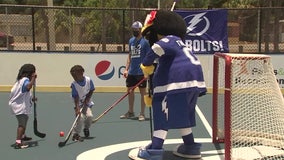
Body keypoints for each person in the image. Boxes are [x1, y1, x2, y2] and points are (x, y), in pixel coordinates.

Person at [135, 10, 207, 159]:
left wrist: (146, 65)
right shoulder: (180, 44)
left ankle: (155, 149)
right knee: (182, 116)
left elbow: (155, 49)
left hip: (176, 83)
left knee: (162, 114)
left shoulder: (169, 40)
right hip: (192, 83)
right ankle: (190, 146)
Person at [120, 21, 151, 121]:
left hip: (141, 72)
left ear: (140, 30)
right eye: (133, 30)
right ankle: (130, 111)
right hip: (132, 72)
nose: (134, 32)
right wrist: (126, 69)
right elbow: (129, 56)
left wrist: (146, 72)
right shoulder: (131, 41)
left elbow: (148, 57)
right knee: (130, 91)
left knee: (143, 93)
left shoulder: (145, 42)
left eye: (136, 30)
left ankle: (142, 113)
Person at [9, 64, 37, 149]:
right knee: (22, 124)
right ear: (30, 73)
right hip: (19, 106)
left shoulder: (20, 80)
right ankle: (18, 142)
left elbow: (24, 92)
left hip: (17, 104)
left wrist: (32, 98)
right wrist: (33, 78)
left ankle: (23, 136)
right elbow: (28, 87)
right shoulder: (25, 80)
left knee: (25, 120)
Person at [70, 65, 95, 142]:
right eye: (72, 75)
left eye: (75, 74)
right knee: (80, 118)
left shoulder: (88, 80)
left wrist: (87, 99)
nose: (74, 77)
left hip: (86, 103)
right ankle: (75, 134)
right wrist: (77, 109)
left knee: (90, 116)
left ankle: (86, 128)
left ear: (81, 72)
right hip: (78, 104)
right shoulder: (74, 84)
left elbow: (91, 90)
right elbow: (76, 98)